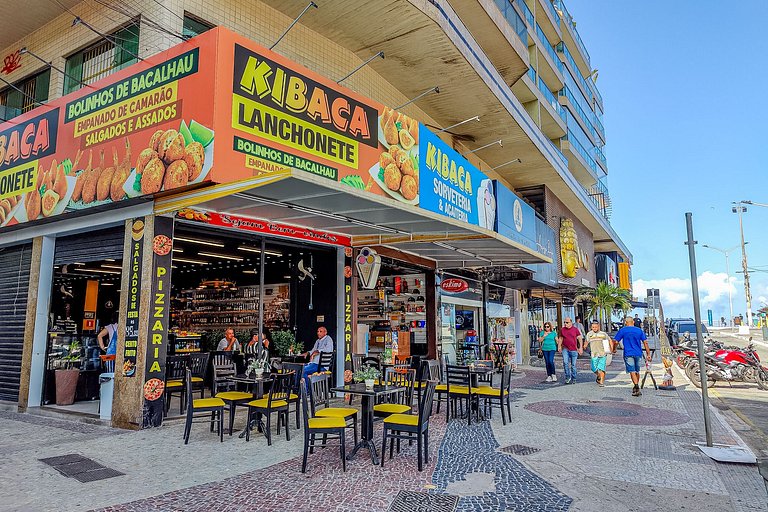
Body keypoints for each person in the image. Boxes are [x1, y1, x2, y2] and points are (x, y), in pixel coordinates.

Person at [613, 316, 651, 397]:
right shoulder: (639, 330)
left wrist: (614, 349)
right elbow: (645, 342)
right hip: (638, 353)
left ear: (626, 323)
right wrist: (648, 354)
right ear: (633, 322)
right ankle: (636, 386)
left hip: (628, 353)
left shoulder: (623, 330)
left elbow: (616, 341)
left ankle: (636, 386)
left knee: (632, 370)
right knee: (637, 370)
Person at [583, 321, 611, 387]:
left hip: (602, 353)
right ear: (591, 327)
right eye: (593, 327)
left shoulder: (603, 334)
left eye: (595, 327)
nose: (594, 328)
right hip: (594, 354)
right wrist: (584, 346)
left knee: (602, 368)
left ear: (598, 327)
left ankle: (601, 382)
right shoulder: (589, 334)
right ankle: (599, 375)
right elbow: (587, 341)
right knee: (593, 368)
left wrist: (610, 349)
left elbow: (608, 341)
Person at [557, 317, 583, 384]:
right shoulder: (562, 330)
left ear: (571, 322)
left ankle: (574, 377)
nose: (565, 324)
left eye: (567, 322)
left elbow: (579, 338)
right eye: (564, 322)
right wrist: (559, 346)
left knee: (573, 365)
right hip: (565, 349)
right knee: (565, 363)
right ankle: (567, 377)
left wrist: (580, 348)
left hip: (574, 349)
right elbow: (561, 338)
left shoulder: (575, 329)